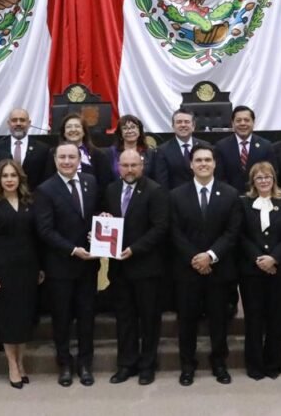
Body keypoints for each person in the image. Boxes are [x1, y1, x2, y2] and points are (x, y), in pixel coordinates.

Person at [169, 145, 243, 386]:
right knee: (187, 322)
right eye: (198, 160)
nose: (203, 164)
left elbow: (232, 232)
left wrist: (210, 256)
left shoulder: (230, 194)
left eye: (207, 160)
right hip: (187, 270)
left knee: (218, 320)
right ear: (191, 164)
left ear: (215, 164)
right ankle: (187, 365)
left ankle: (219, 363)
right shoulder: (176, 195)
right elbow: (175, 232)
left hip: (218, 270)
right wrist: (195, 258)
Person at [34, 141, 103, 387]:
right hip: (60, 266)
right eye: (62, 157)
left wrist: (103, 222)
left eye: (71, 157)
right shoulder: (45, 189)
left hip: (88, 266)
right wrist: (73, 250)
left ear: (79, 160)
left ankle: (85, 364)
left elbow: (96, 216)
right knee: (61, 318)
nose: (67, 161)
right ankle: (64, 363)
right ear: (55, 161)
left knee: (87, 317)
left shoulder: (90, 182)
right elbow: (45, 230)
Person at [102, 149, 168, 386]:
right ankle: (126, 364)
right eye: (125, 165)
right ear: (118, 167)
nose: (129, 170)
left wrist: (135, 249)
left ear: (142, 166)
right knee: (125, 318)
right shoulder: (111, 189)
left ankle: (147, 365)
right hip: (119, 268)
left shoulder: (155, 190)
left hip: (146, 267)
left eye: (134, 165)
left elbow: (160, 228)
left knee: (149, 319)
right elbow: (107, 219)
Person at [0, 160, 43, 389]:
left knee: (24, 319)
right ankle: (12, 365)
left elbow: (36, 238)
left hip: (28, 269)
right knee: (8, 320)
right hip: (3, 270)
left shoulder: (30, 202)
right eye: (5, 176)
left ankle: (21, 361)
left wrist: (40, 267)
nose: (9, 180)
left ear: (20, 178)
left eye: (13, 175)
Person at [238, 161, 281, 380]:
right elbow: (241, 235)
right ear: (253, 181)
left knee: (275, 319)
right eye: (259, 177)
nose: (263, 181)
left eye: (267, 177)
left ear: (274, 180)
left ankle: (273, 364)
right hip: (251, 271)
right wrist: (259, 259)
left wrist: (273, 258)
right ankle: (254, 365)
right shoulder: (243, 203)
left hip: (278, 270)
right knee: (253, 319)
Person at [0, 108, 52, 194]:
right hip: (4, 198)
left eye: (22, 120)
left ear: (29, 123)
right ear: (8, 123)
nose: (18, 123)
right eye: (14, 120)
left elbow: (47, 179)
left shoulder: (43, 149)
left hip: (35, 198)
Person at [213, 105, 275, 193]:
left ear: (253, 122)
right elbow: (219, 176)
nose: (242, 123)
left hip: (258, 195)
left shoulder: (266, 146)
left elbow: (272, 174)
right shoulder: (221, 146)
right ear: (232, 123)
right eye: (238, 120)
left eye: (246, 120)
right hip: (230, 196)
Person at [155, 108, 211, 191]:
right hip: (175, 197)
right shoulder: (162, 151)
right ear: (173, 127)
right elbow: (162, 183)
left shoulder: (206, 146)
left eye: (187, 122)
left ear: (193, 126)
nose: (183, 125)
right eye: (179, 122)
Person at [58, 112, 114, 187]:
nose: (73, 129)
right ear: (64, 132)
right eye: (69, 127)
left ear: (84, 131)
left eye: (77, 126)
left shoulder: (99, 155)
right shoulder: (53, 154)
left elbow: (105, 184)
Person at [109, 114, 158, 183]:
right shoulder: (111, 152)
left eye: (133, 127)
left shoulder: (150, 153)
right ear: (120, 133)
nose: (129, 131)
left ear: (139, 131)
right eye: (125, 128)